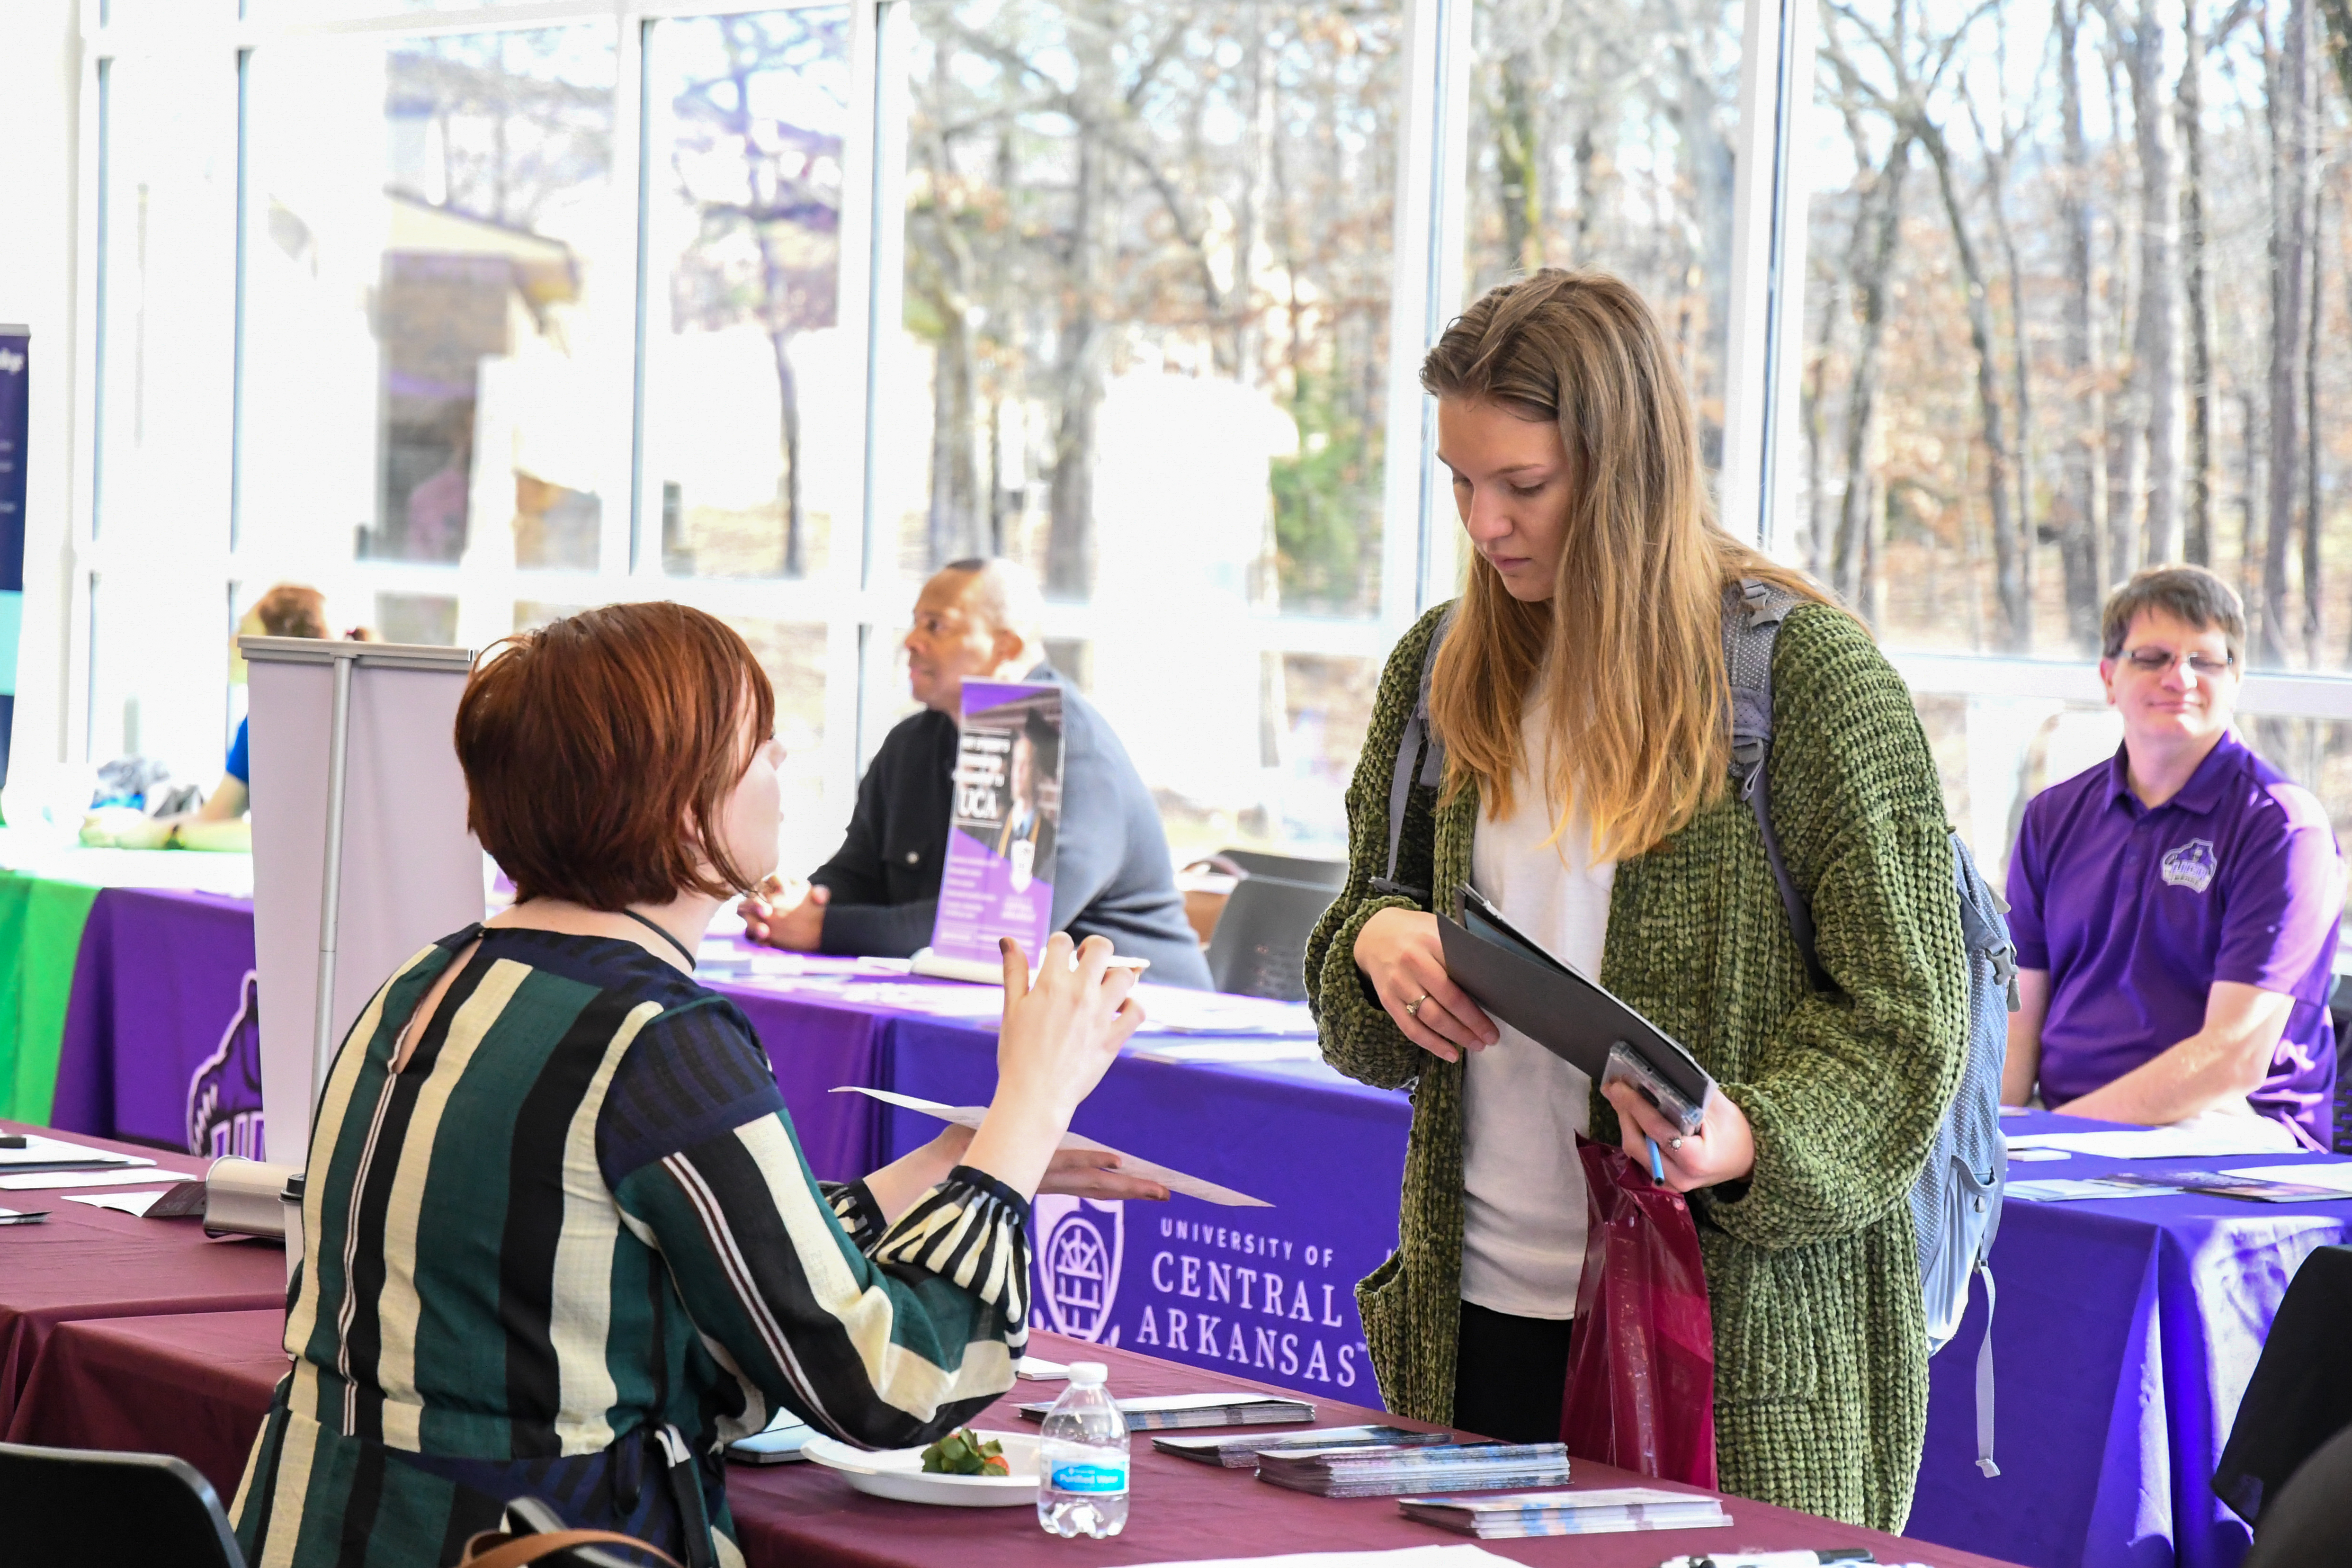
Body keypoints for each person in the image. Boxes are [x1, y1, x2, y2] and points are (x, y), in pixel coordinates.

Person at [230, 601, 1169, 1567]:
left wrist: (952, 1162)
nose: (781, 768)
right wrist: (1025, 1114)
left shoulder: (429, 978)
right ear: (686, 807)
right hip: (534, 1540)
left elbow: (709, 1257)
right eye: (761, 750)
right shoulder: (658, 1039)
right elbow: (889, 1381)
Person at [1306, 269, 1967, 1532]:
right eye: (1458, 481)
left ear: (1624, 467)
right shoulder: (1441, 666)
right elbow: (1356, 991)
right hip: (1476, 1322)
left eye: (1523, 485)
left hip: (1736, 1349)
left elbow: (1904, 1023)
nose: (1484, 522)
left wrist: (1743, 1137)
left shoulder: (1808, 683)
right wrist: (1376, 942)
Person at [741, 557, 1213, 988]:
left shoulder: (1063, 748)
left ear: (1004, 646)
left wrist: (826, 929)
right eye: (914, 623)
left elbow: (1000, 927)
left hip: (1146, 1024)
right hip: (989, 1009)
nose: (910, 641)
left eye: (936, 625)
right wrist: (801, 902)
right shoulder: (913, 743)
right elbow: (860, 872)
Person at [2003, 566, 2342, 1149]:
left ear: (2234, 678)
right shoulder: (2051, 817)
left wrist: (2057, 1135)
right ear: (2109, 677)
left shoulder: (2282, 826)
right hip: (2067, 1123)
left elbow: (2232, 1058)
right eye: (2152, 656)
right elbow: (2014, 1024)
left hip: (2232, 1132)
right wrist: (1993, 1138)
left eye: (2204, 661)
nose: (2178, 677)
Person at [198, 583, 365, 824]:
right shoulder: (261, 721)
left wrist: (166, 833)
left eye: (243, 631)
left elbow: (218, 821)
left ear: (282, 646)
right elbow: (218, 817)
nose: (231, 643)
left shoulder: (333, 725)